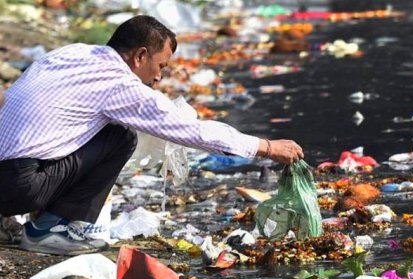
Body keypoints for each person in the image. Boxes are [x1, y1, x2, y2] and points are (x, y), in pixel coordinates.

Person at [0, 15, 304, 255]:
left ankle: (25, 218)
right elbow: (190, 132)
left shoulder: (73, 53)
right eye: (160, 66)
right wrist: (265, 147)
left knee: (93, 130)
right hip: (22, 186)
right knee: (121, 136)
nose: (158, 76)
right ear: (139, 55)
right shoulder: (118, 83)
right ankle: (50, 229)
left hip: (10, 177)